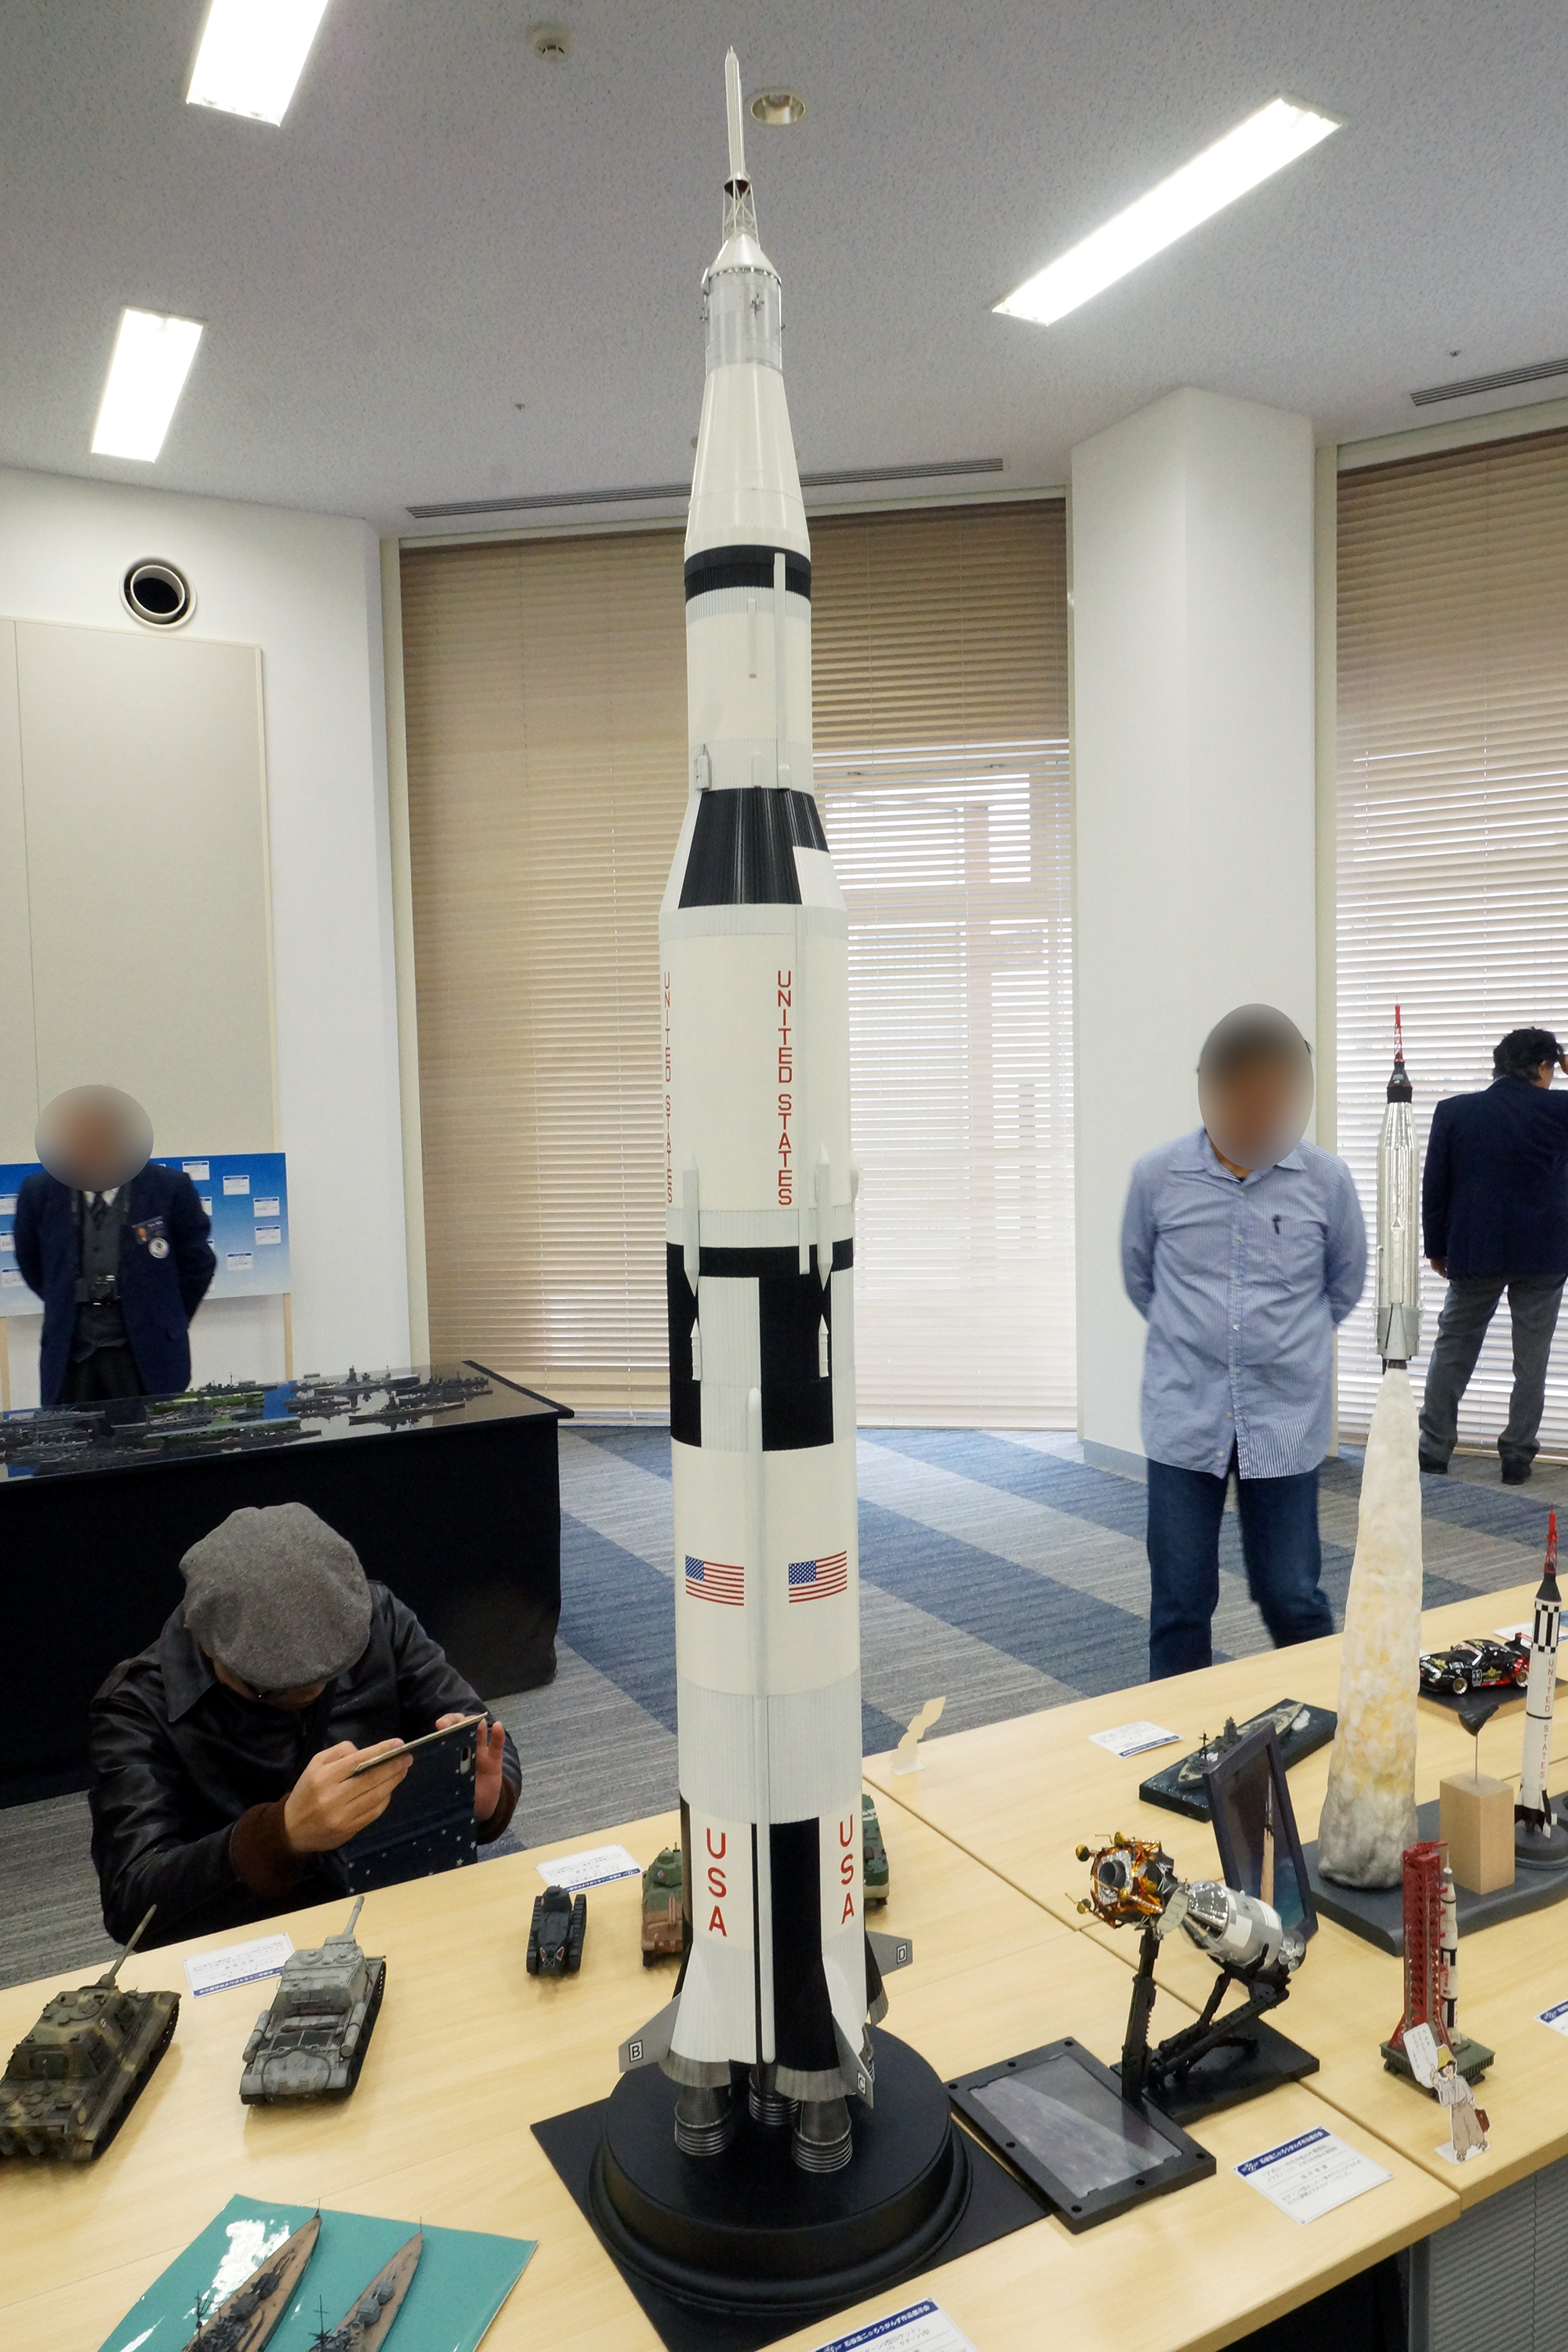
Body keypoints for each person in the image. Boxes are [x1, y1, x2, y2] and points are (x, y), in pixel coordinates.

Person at [89, 1502, 522, 1944]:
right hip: (250, 1937)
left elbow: (485, 1735)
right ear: (207, 1646)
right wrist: (279, 1836)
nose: (312, 1693)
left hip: (396, 1897)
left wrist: (483, 1798)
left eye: (332, 1674)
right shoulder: (136, 1707)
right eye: (273, 1691)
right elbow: (131, 1901)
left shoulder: (378, 1619)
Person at [1121, 1005, 1367, 1681]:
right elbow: (1141, 1280)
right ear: (1213, 1087)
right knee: (1180, 1602)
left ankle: (1324, 1719)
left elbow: (1343, 1285)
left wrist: (1287, 1345)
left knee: (1292, 1595)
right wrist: (1194, 1339)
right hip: (1184, 1419)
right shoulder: (1157, 1177)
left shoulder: (1326, 1181)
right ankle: (1179, 1735)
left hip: (1283, 1419)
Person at [1419, 1026, 1568, 1484]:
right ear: (1543, 1067)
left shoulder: (1455, 1111)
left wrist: (1436, 1247)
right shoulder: (1558, 1110)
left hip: (1474, 1248)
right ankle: (1517, 1458)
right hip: (1544, 1253)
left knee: (1453, 1349)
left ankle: (1433, 1450)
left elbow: (1435, 1187)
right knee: (1531, 1360)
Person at [13, 1084, 215, 1406]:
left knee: (153, 1438)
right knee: (71, 1438)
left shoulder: (169, 1189)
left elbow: (198, 1266)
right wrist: (67, 1303)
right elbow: (32, 1264)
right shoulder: (39, 1192)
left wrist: (166, 1319)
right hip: (70, 1359)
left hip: (148, 1361)